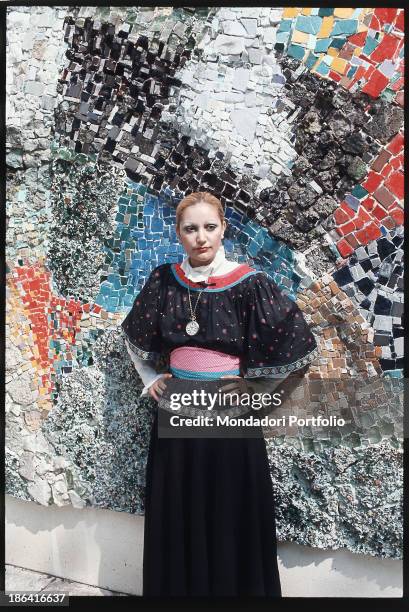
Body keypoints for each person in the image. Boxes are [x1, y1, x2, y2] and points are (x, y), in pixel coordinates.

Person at [121, 191, 318, 596]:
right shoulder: (163, 281)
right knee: (179, 511)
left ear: (223, 227)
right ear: (178, 233)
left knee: (229, 512)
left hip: (230, 418)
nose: (201, 237)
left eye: (209, 227)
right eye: (190, 229)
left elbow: (296, 345)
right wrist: (149, 377)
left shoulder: (250, 284)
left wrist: (256, 388)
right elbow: (134, 337)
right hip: (176, 415)